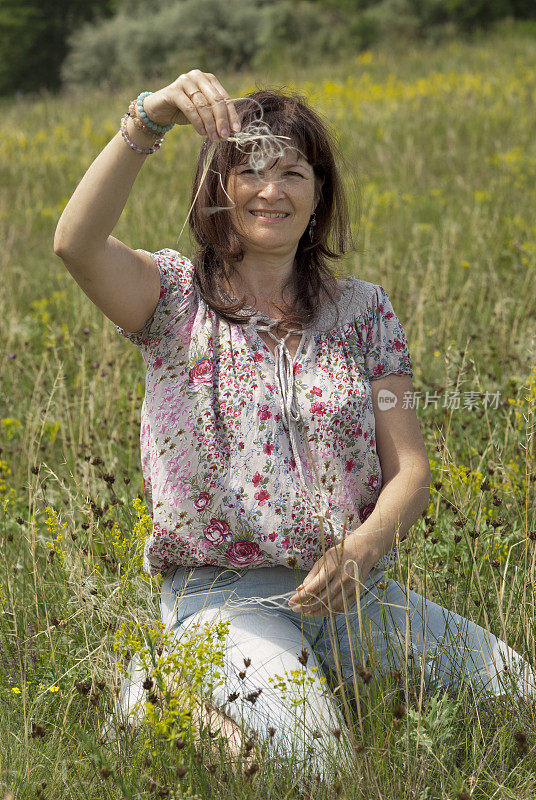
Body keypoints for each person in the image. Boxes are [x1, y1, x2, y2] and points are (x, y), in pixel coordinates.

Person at [54, 69, 536, 791]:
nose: (269, 189)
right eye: (247, 170)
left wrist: (364, 550)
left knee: (517, 700)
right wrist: (148, 120)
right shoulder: (173, 299)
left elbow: (410, 470)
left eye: (292, 171)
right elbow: (75, 243)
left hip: (353, 587)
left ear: (319, 194)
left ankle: (304, 681)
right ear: (218, 191)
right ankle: (157, 684)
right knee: (317, 762)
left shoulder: (364, 312)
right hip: (219, 595)